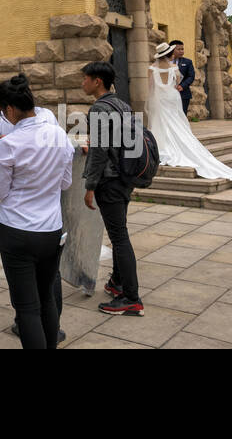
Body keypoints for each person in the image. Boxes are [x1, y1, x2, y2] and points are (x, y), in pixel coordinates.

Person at [0, 77, 75, 348]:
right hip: (50, 229)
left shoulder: (11, 143)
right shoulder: (59, 134)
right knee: (46, 296)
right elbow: (65, 183)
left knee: (27, 307)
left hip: (17, 230)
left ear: (10, 110)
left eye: (3, 112)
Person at [81, 60, 143, 316]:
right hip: (126, 177)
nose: (82, 83)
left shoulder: (99, 109)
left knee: (119, 237)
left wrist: (90, 185)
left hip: (110, 180)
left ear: (97, 81)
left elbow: (99, 151)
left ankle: (131, 297)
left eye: (85, 79)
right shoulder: (122, 104)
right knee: (120, 234)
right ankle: (118, 284)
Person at [146, 42, 232, 183]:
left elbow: (150, 87)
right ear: (169, 54)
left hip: (159, 98)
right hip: (172, 97)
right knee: (176, 122)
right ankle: (178, 144)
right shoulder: (174, 67)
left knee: (160, 121)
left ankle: (161, 147)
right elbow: (177, 82)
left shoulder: (151, 69)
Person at [170, 40, 195, 114]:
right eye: (179, 49)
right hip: (168, 93)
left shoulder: (188, 62)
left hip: (183, 93)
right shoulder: (165, 62)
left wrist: (182, 86)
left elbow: (191, 76)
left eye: (182, 49)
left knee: (182, 115)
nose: (181, 51)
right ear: (171, 50)